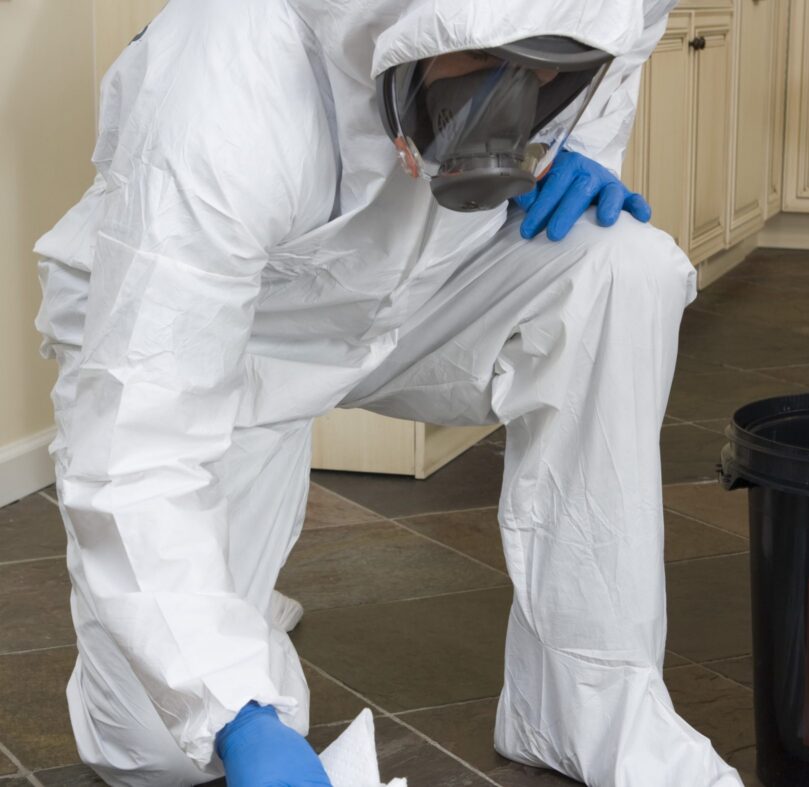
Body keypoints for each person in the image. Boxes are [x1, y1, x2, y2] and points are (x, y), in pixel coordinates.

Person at [34, 0, 743, 785]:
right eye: (491, 63)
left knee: (622, 265)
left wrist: (585, 137)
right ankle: (237, 613)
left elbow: (629, 31)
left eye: (548, 71)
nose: (519, 98)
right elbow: (138, 445)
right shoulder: (225, 76)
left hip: (420, 290)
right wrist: (236, 712)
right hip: (233, 338)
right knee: (160, 750)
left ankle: (587, 701)